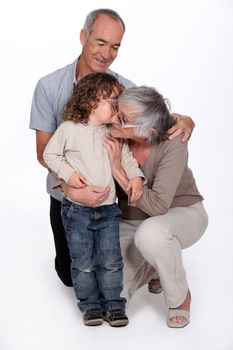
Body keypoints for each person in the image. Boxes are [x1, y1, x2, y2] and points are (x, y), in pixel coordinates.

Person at [30, 8, 195, 287]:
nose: (106, 54)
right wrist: (70, 187)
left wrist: (188, 120)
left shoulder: (125, 88)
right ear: (84, 36)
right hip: (66, 195)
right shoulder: (49, 87)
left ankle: (156, 259)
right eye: (100, 42)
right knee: (70, 277)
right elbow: (43, 152)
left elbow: (152, 120)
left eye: (115, 46)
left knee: (108, 267)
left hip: (110, 196)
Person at [43, 72, 146, 327]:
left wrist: (136, 178)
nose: (116, 106)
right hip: (77, 211)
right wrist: (69, 174)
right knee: (83, 262)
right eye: (111, 101)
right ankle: (89, 305)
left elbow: (127, 160)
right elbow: (50, 154)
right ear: (90, 101)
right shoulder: (69, 129)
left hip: (108, 210)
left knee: (111, 260)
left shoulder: (112, 133)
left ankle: (113, 305)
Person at [101, 86, 209, 328]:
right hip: (132, 218)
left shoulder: (173, 141)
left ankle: (179, 297)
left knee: (151, 234)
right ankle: (156, 267)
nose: (113, 120)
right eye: (117, 111)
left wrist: (118, 170)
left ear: (147, 131)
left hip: (180, 211)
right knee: (110, 294)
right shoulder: (115, 133)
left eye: (123, 119)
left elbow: (159, 205)